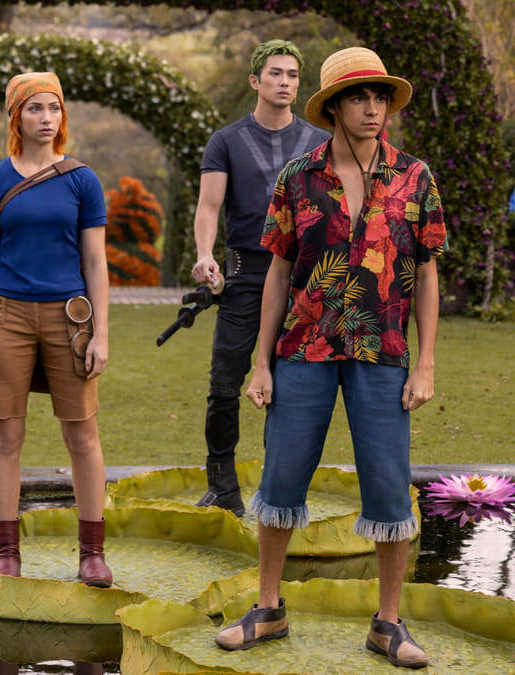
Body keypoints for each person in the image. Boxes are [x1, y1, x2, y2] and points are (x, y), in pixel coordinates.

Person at [214, 47, 447, 669]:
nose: (373, 108)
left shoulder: (414, 177)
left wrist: (425, 364)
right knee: (281, 480)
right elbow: (278, 272)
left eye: (380, 97)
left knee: (389, 489)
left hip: (382, 351)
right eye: (359, 97)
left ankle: (388, 624)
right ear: (335, 108)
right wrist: (261, 362)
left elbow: (426, 273)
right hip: (303, 348)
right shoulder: (298, 178)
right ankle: (268, 610)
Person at [0, 72, 112, 588]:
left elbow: (96, 262)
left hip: (71, 320)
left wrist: (102, 332)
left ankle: (92, 554)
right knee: (6, 436)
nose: (46, 118)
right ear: (16, 117)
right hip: (4, 317)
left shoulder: (82, 181)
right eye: (35, 109)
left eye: (54, 108)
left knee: (82, 435)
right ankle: (7, 554)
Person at [190, 39, 331, 516]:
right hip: (244, 273)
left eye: (292, 75)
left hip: (303, 278)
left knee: (292, 388)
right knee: (223, 385)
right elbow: (209, 206)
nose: (284, 82)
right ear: (255, 80)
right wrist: (204, 254)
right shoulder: (225, 141)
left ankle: (281, 488)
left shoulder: (320, 142)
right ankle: (222, 486)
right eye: (275, 73)